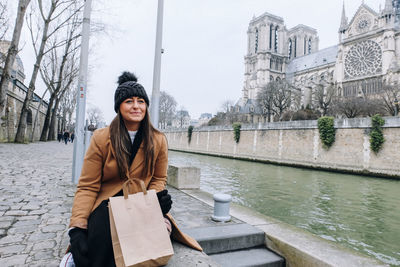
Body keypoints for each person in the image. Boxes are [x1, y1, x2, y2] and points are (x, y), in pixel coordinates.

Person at [67, 72, 201, 267]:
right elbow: (88, 186)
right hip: (107, 203)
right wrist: (77, 228)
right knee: (101, 242)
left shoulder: (158, 139)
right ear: (118, 107)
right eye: (129, 101)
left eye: (141, 101)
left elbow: (158, 179)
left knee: (145, 243)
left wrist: (156, 202)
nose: (136, 106)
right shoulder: (101, 138)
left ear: (146, 106)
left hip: (141, 203)